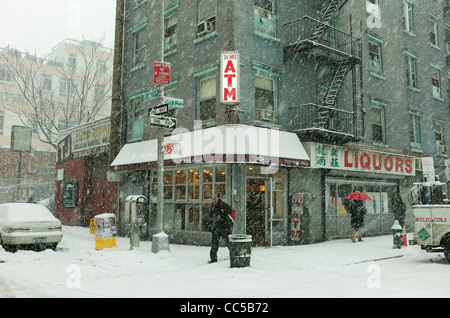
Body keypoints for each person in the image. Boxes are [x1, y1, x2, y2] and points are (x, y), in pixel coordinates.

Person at [208, 193, 233, 263]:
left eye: (215, 199)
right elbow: (210, 217)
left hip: (223, 227)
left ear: (218, 198)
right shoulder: (212, 206)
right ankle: (213, 258)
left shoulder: (223, 204)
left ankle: (234, 255)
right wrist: (211, 226)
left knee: (228, 242)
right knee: (214, 243)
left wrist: (224, 211)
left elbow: (230, 211)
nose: (214, 200)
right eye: (213, 199)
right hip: (215, 227)